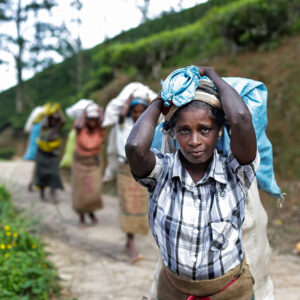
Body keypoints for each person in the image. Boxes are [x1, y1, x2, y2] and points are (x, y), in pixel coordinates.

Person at [126, 65, 259, 299]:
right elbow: (135, 147)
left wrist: (211, 75)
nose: (194, 141)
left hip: (230, 292)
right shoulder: (161, 173)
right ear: (173, 133)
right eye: (184, 131)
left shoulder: (235, 172)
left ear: (219, 131)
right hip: (174, 291)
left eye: (205, 129)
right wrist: (163, 97)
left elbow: (239, 118)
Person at [116, 96, 150, 263]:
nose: (137, 114)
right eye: (134, 111)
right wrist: (128, 100)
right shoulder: (123, 125)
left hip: (141, 169)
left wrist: (151, 103)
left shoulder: (148, 127)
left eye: (141, 111)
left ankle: (130, 241)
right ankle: (130, 243)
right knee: (128, 204)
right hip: (124, 169)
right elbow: (121, 115)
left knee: (139, 205)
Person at [72, 103, 105, 227]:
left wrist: (100, 112)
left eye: (94, 119)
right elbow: (79, 124)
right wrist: (85, 112)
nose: (92, 121)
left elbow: (103, 121)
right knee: (81, 192)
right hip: (80, 163)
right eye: (90, 119)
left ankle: (91, 214)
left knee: (93, 191)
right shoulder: (80, 128)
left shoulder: (100, 129)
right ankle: (82, 218)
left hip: (94, 164)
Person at [34, 103, 65, 201]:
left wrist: (58, 111)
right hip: (42, 152)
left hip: (53, 153)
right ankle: (42, 194)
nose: (54, 121)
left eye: (56, 119)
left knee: (54, 173)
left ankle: (53, 193)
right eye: (52, 118)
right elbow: (43, 121)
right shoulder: (44, 126)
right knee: (41, 173)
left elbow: (63, 121)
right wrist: (48, 114)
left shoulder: (57, 127)